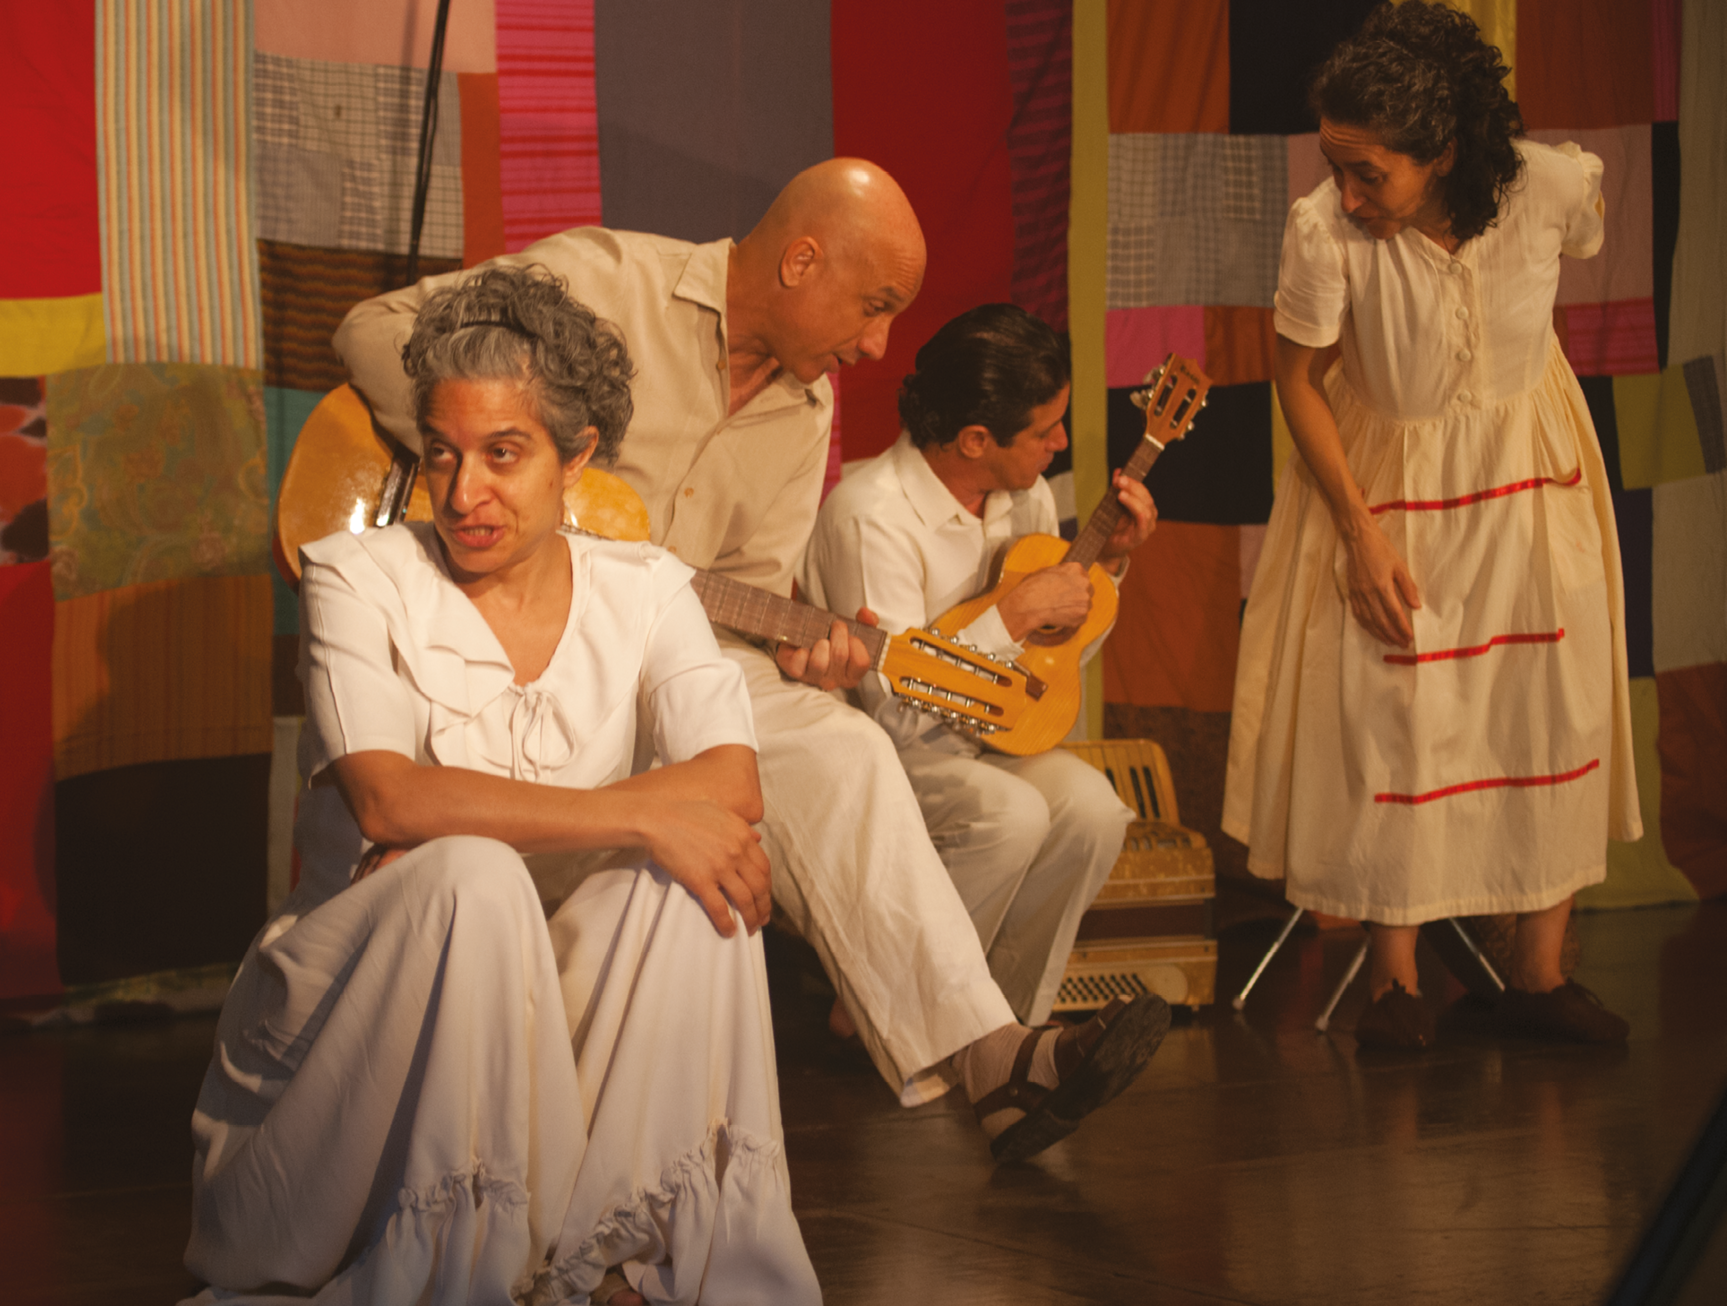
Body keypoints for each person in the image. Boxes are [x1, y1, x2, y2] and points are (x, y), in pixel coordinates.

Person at [335, 159, 1170, 1163]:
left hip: (666, 665)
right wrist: (516, 477)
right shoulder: (607, 281)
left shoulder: (806, 412)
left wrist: (812, 647)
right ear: (801, 260)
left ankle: (994, 1060)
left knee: (843, 744)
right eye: (872, 308)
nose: (876, 346)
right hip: (507, 638)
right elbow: (370, 331)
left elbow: (739, 596)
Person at [183, 267, 820, 1306]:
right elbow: (391, 801)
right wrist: (637, 813)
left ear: (576, 458)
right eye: (442, 451)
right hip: (351, 1040)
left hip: (553, 1004)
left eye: (503, 454)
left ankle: (615, 1254)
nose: (463, 489)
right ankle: (459, 1266)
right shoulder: (358, 577)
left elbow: (732, 782)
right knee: (470, 883)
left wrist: (516, 820)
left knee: (694, 883)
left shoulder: (646, 585)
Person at [1223, 1, 1639, 1050]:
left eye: (1374, 173)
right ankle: (1394, 983)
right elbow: (1298, 381)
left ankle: (1539, 976)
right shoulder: (1327, 230)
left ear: (1445, 151)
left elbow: (1569, 245)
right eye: (1338, 165)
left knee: (1544, 705)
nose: (1350, 193)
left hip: (1530, 479)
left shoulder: (1544, 188)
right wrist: (1359, 532)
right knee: (1399, 719)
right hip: (1395, 482)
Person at [799, 304, 1158, 1025]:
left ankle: (1008, 1022)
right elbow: (895, 712)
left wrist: (1107, 568)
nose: (1060, 442)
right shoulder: (870, 515)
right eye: (1043, 430)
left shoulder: (1023, 497)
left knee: (1094, 810)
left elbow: (1047, 663)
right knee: (1011, 814)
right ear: (973, 440)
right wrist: (1013, 614)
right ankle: (889, 1009)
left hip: (991, 736)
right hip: (887, 751)